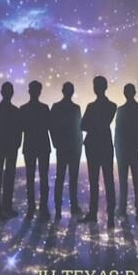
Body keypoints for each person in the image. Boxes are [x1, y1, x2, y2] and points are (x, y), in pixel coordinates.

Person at [82, 76, 117, 223]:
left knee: (96, 181)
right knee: (106, 181)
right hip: (103, 146)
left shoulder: (93, 107)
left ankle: (95, 213)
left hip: (94, 146)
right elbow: (83, 125)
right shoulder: (111, 106)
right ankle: (109, 216)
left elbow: (84, 125)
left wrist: (92, 124)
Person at [0, 83, 21, 220]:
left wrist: (16, 145)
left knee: (8, 178)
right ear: (3, 92)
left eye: (10, 90)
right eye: (7, 90)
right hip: (2, 148)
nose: (9, 93)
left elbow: (18, 131)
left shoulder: (13, 111)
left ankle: (5, 207)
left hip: (9, 148)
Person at [114, 83, 138, 221]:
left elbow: (118, 130)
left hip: (125, 149)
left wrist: (117, 147)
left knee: (124, 180)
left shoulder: (121, 110)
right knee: (136, 179)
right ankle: (137, 210)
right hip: (132, 149)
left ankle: (123, 209)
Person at [50, 81, 83, 218]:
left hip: (66, 147)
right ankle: (72, 207)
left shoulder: (57, 107)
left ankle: (60, 209)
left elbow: (52, 127)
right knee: (69, 178)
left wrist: (57, 143)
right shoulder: (75, 108)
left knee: (61, 178)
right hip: (71, 147)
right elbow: (78, 128)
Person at [19, 81, 51, 218]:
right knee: (42, 178)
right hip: (42, 146)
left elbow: (20, 129)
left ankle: (32, 207)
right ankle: (41, 207)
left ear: (29, 91)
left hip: (31, 146)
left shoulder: (24, 109)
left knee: (31, 178)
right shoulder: (44, 108)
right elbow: (50, 126)